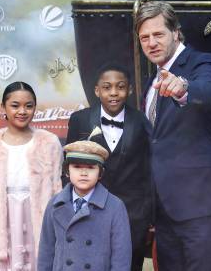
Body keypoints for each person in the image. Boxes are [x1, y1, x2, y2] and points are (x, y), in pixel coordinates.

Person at [134, 1, 211, 270]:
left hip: (201, 209)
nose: (151, 43)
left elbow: (210, 90)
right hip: (166, 211)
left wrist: (183, 89)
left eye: (158, 34)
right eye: (145, 37)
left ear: (176, 33)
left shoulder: (202, 63)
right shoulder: (152, 80)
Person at [65, 63, 152, 271]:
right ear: (97, 90)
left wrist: (148, 214)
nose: (114, 92)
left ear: (129, 89)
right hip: (90, 209)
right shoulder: (80, 120)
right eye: (107, 87)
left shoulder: (141, 121)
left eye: (120, 86)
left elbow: (148, 170)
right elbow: (67, 168)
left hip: (133, 214)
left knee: (129, 265)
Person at [0, 81, 63, 271]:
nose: (22, 111)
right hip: (0, 223)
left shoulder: (49, 143)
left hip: (38, 221)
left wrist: (58, 234)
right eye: (15, 105)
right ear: (3, 107)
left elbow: (57, 192)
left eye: (29, 106)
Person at [37, 139, 131, 271]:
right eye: (77, 167)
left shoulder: (115, 206)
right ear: (67, 171)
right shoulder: (54, 204)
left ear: (100, 173)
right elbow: (46, 252)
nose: (84, 173)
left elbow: (121, 257)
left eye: (91, 168)